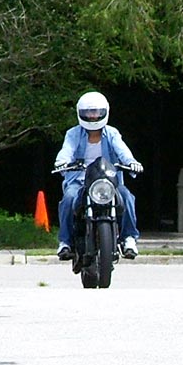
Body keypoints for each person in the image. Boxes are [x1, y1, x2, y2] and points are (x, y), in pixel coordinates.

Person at [53, 91, 143, 260]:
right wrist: (62, 162)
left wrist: (131, 162)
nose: (93, 116)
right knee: (69, 198)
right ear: (80, 113)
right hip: (79, 181)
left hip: (108, 181)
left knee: (127, 197)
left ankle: (129, 238)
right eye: (88, 112)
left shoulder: (112, 133)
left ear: (105, 112)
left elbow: (122, 150)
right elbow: (67, 150)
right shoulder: (73, 134)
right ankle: (65, 242)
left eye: (96, 112)